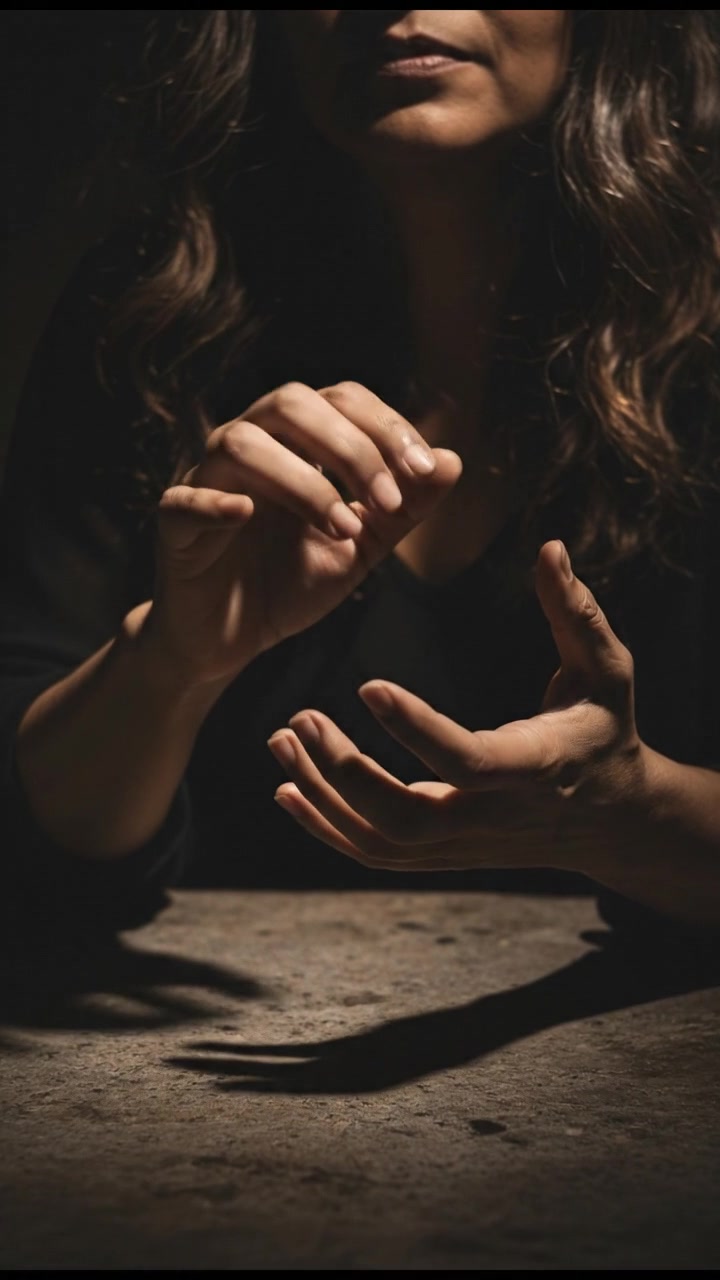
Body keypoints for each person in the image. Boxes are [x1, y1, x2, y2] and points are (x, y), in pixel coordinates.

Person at [1, 10, 719, 941]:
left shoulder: (702, 334)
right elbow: (33, 844)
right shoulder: (147, 323)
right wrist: (169, 664)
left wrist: (632, 817)